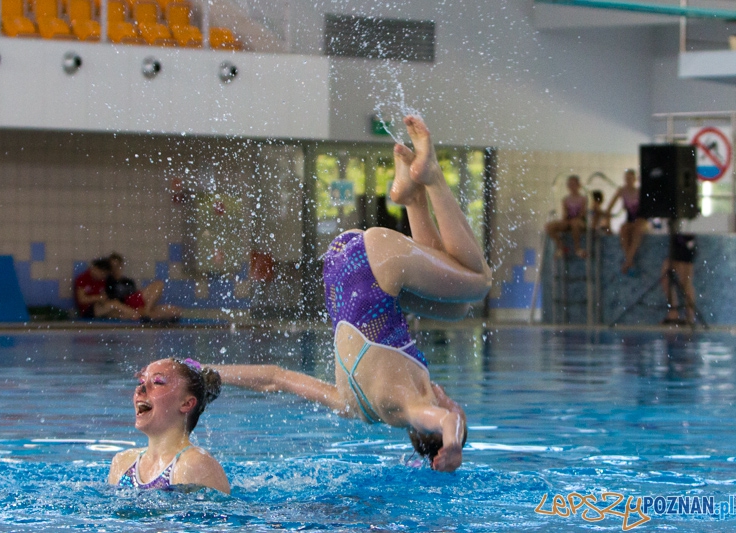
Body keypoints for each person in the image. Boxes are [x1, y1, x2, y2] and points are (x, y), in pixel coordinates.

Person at [212, 116, 492, 473]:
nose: (450, 401)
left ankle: (431, 178)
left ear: (430, 425)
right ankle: (412, 198)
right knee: (457, 308)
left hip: (373, 262)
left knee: (480, 282)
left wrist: (453, 448)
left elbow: (449, 426)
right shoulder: (353, 406)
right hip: (341, 266)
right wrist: (207, 370)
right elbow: (275, 378)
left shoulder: (413, 409)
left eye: (454, 406)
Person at [108, 358, 230, 493]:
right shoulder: (122, 463)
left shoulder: (196, 464)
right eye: (141, 381)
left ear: (186, 404)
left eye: (158, 382)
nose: (140, 390)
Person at [107, 253, 182, 322]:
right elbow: (111, 303)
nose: (115, 269)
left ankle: (148, 312)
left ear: (121, 266)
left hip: (137, 303)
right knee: (170, 313)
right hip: (125, 308)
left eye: (117, 266)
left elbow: (136, 295)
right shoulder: (108, 281)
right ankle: (150, 314)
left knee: (160, 285)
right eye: (112, 266)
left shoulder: (128, 281)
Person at [606, 169, 648, 274]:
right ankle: (629, 261)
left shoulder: (640, 192)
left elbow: (647, 211)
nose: (628, 180)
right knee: (624, 229)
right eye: (626, 178)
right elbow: (609, 209)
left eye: (630, 178)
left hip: (641, 220)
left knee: (637, 228)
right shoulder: (622, 191)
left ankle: (628, 261)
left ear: (634, 179)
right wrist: (608, 226)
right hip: (630, 219)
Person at [74, 258, 140, 320]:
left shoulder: (101, 281)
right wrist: (98, 298)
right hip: (87, 310)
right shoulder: (83, 278)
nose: (104, 277)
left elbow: (103, 296)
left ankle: (139, 318)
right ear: (96, 269)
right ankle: (138, 315)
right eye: (103, 274)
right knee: (115, 303)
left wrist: (103, 299)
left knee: (118, 314)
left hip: (98, 307)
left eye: (105, 275)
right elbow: (81, 299)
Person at [545, 175, 587, 259]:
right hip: (569, 221)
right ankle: (560, 247)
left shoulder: (583, 199)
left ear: (579, 185)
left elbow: (582, 214)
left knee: (574, 223)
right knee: (549, 226)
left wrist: (574, 220)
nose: (572, 187)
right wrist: (564, 222)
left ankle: (577, 248)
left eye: (574, 184)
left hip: (580, 222)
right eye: (570, 184)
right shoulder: (566, 199)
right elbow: (565, 214)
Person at [661, 233, 697, 325]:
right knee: (666, 276)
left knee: (685, 282)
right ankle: (673, 312)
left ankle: (689, 316)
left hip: (686, 239)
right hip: (677, 239)